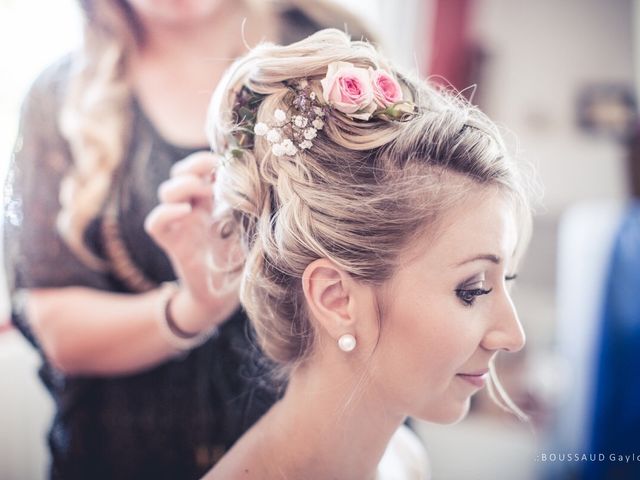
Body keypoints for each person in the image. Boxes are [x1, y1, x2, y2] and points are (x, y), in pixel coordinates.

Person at [3, 1, 373, 479]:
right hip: (121, 453)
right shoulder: (58, 96)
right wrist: (194, 309)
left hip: (322, 447)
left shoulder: (335, 53)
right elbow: (56, 324)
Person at [155, 27, 532, 478]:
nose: (512, 335)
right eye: (472, 290)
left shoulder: (405, 461)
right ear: (336, 298)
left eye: (504, 281)